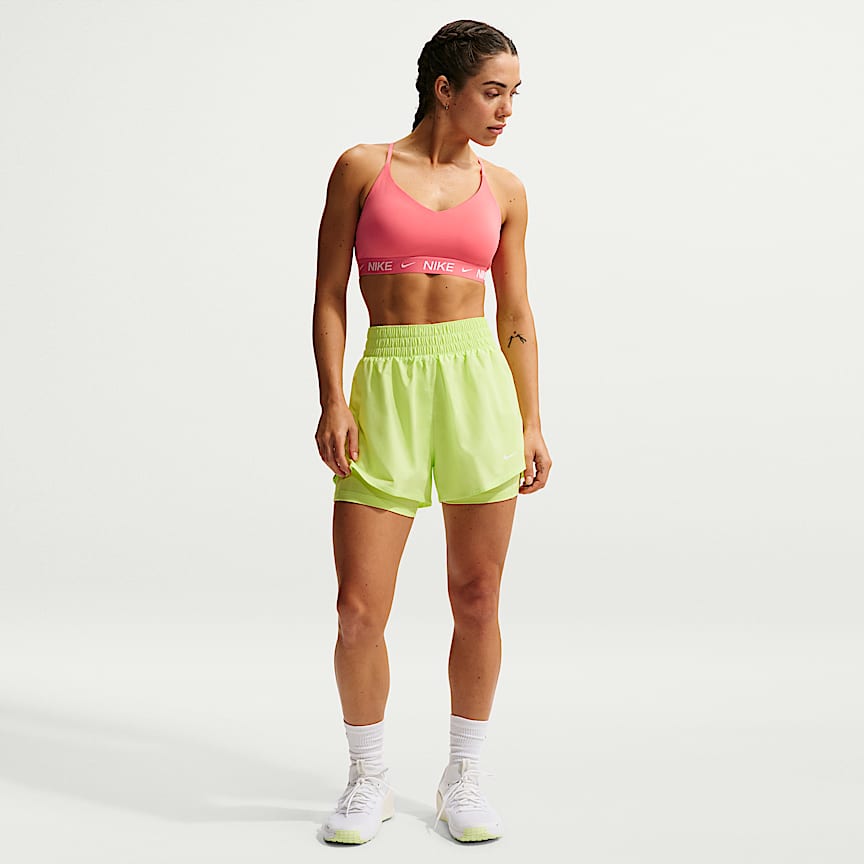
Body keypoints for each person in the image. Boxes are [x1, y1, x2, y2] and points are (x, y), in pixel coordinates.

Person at [312, 19, 551, 844]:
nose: (506, 109)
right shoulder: (362, 168)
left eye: (514, 94)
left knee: (477, 596)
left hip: (477, 386)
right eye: (492, 92)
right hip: (387, 384)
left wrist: (530, 419)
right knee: (357, 609)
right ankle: (367, 775)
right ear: (443, 89)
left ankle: (463, 775)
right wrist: (333, 399)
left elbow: (515, 313)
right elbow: (329, 296)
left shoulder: (506, 190)